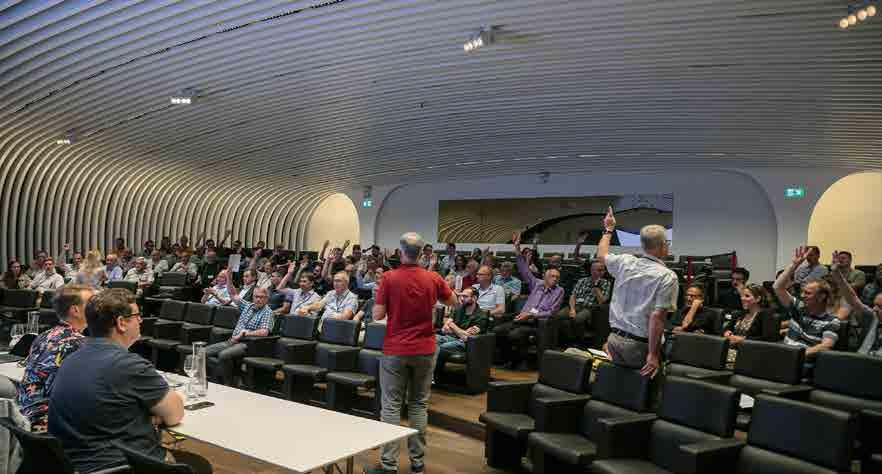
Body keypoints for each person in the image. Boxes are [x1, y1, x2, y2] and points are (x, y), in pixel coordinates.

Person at [48, 289, 211, 474]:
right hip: (116, 467)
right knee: (199, 466)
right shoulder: (129, 365)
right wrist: (153, 414)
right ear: (121, 323)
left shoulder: (71, 359)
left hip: (73, 464)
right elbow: (175, 414)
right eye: (137, 316)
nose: (140, 320)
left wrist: (144, 416)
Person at [365, 233, 456, 474]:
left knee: (391, 407)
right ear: (422, 252)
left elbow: (377, 315)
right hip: (425, 349)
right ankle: (417, 464)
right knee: (418, 406)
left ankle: (389, 466)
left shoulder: (389, 277)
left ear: (401, 250)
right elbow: (454, 302)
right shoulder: (433, 277)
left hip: (396, 349)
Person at [597, 207, 677, 378]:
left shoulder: (625, 262)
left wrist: (609, 229)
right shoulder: (667, 276)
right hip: (640, 346)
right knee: (647, 390)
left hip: (614, 340)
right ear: (663, 245)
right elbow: (657, 317)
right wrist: (653, 354)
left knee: (618, 387)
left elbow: (601, 255)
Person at [17, 285, 93, 432]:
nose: (96, 308)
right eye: (91, 303)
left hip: (23, 417)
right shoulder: (79, 343)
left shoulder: (43, 336)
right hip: (49, 426)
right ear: (75, 310)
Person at [492, 232, 564, 370]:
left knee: (515, 334)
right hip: (520, 318)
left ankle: (521, 361)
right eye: (552, 276)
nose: (555, 279)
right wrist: (517, 247)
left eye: (557, 277)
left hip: (536, 323)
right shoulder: (536, 284)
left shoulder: (559, 291)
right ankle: (509, 358)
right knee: (497, 330)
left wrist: (531, 315)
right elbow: (523, 269)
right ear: (545, 277)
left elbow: (551, 312)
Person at [203, 270, 273, 384]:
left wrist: (245, 333)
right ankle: (218, 380)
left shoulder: (267, 312)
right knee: (202, 352)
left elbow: (264, 332)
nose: (259, 299)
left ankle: (228, 384)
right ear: (253, 297)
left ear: (266, 299)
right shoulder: (248, 306)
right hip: (232, 340)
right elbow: (233, 294)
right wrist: (229, 277)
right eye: (256, 297)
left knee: (223, 355)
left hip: (247, 344)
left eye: (262, 297)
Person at [773, 246, 840, 360]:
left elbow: (826, 345)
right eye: (803, 292)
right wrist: (794, 265)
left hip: (801, 360)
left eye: (807, 293)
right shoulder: (799, 307)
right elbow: (777, 287)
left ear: (821, 296)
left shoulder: (831, 321)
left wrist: (795, 356)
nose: (802, 296)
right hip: (783, 353)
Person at [722, 283, 780, 366]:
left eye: (747, 296)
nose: (742, 298)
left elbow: (768, 339)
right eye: (742, 296)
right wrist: (726, 332)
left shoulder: (766, 315)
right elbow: (726, 328)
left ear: (758, 299)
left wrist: (743, 340)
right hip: (732, 350)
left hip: (751, 355)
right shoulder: (739, 314)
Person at [557, 259, 611, 346]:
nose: (601, 272)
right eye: (598, 270)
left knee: (578, 319)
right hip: (576, 305)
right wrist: (572, 309)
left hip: (590, 308)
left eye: (602, 270)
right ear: (591, 271)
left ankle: (580, 342)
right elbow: (573, 296)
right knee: (559, 316)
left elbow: (602, 301)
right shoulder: (582, 280)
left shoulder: (606, 283)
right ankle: (569, 339)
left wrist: (596, 286)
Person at [434, 287, 489, 368]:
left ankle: (435, 373)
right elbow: (444, 328)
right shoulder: (459, 309)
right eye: (462, 296)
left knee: (442, 347)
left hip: (465, 344)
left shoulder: (481, 316)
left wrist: (452, 326)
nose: (462, 299)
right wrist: (460, 331)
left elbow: (466, 338)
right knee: (432, 339)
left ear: (474, 298)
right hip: (451, 337)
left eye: (465, 296)